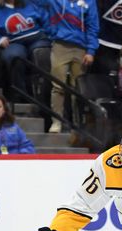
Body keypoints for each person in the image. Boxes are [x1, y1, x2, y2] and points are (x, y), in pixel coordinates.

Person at [39, 0, 100, 132]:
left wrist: (90, 50)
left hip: (81, 48)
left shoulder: (89, 2)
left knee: (78, 89)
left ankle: (77, 124)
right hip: (60, 46)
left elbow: (93, 25)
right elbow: (38, 5)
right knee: (57, 86)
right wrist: (51, 31)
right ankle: (56, 122)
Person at [0, 0, 50, 104]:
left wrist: (49, 35)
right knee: (15, 57)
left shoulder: (31, 3)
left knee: (42, 54)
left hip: (37, 38)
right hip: (13, 42)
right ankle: (21, 96)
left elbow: (47, 21)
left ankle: (44, 97)